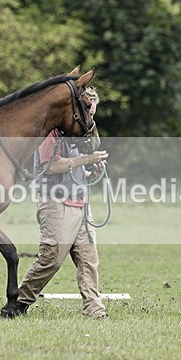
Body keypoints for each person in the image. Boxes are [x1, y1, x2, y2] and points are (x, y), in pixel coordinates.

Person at [9, 87, 109, 318]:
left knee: (88, 260)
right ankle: (18, 303)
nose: (90, 119)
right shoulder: (51, 133)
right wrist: (88, 158)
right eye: (88, 113)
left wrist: (90, 172)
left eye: (93, 114)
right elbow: (51, 166)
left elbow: (75, 170)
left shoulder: (76, 135)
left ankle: (95, 310)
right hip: (56, 204)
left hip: (80, 203)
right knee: (51, 260)